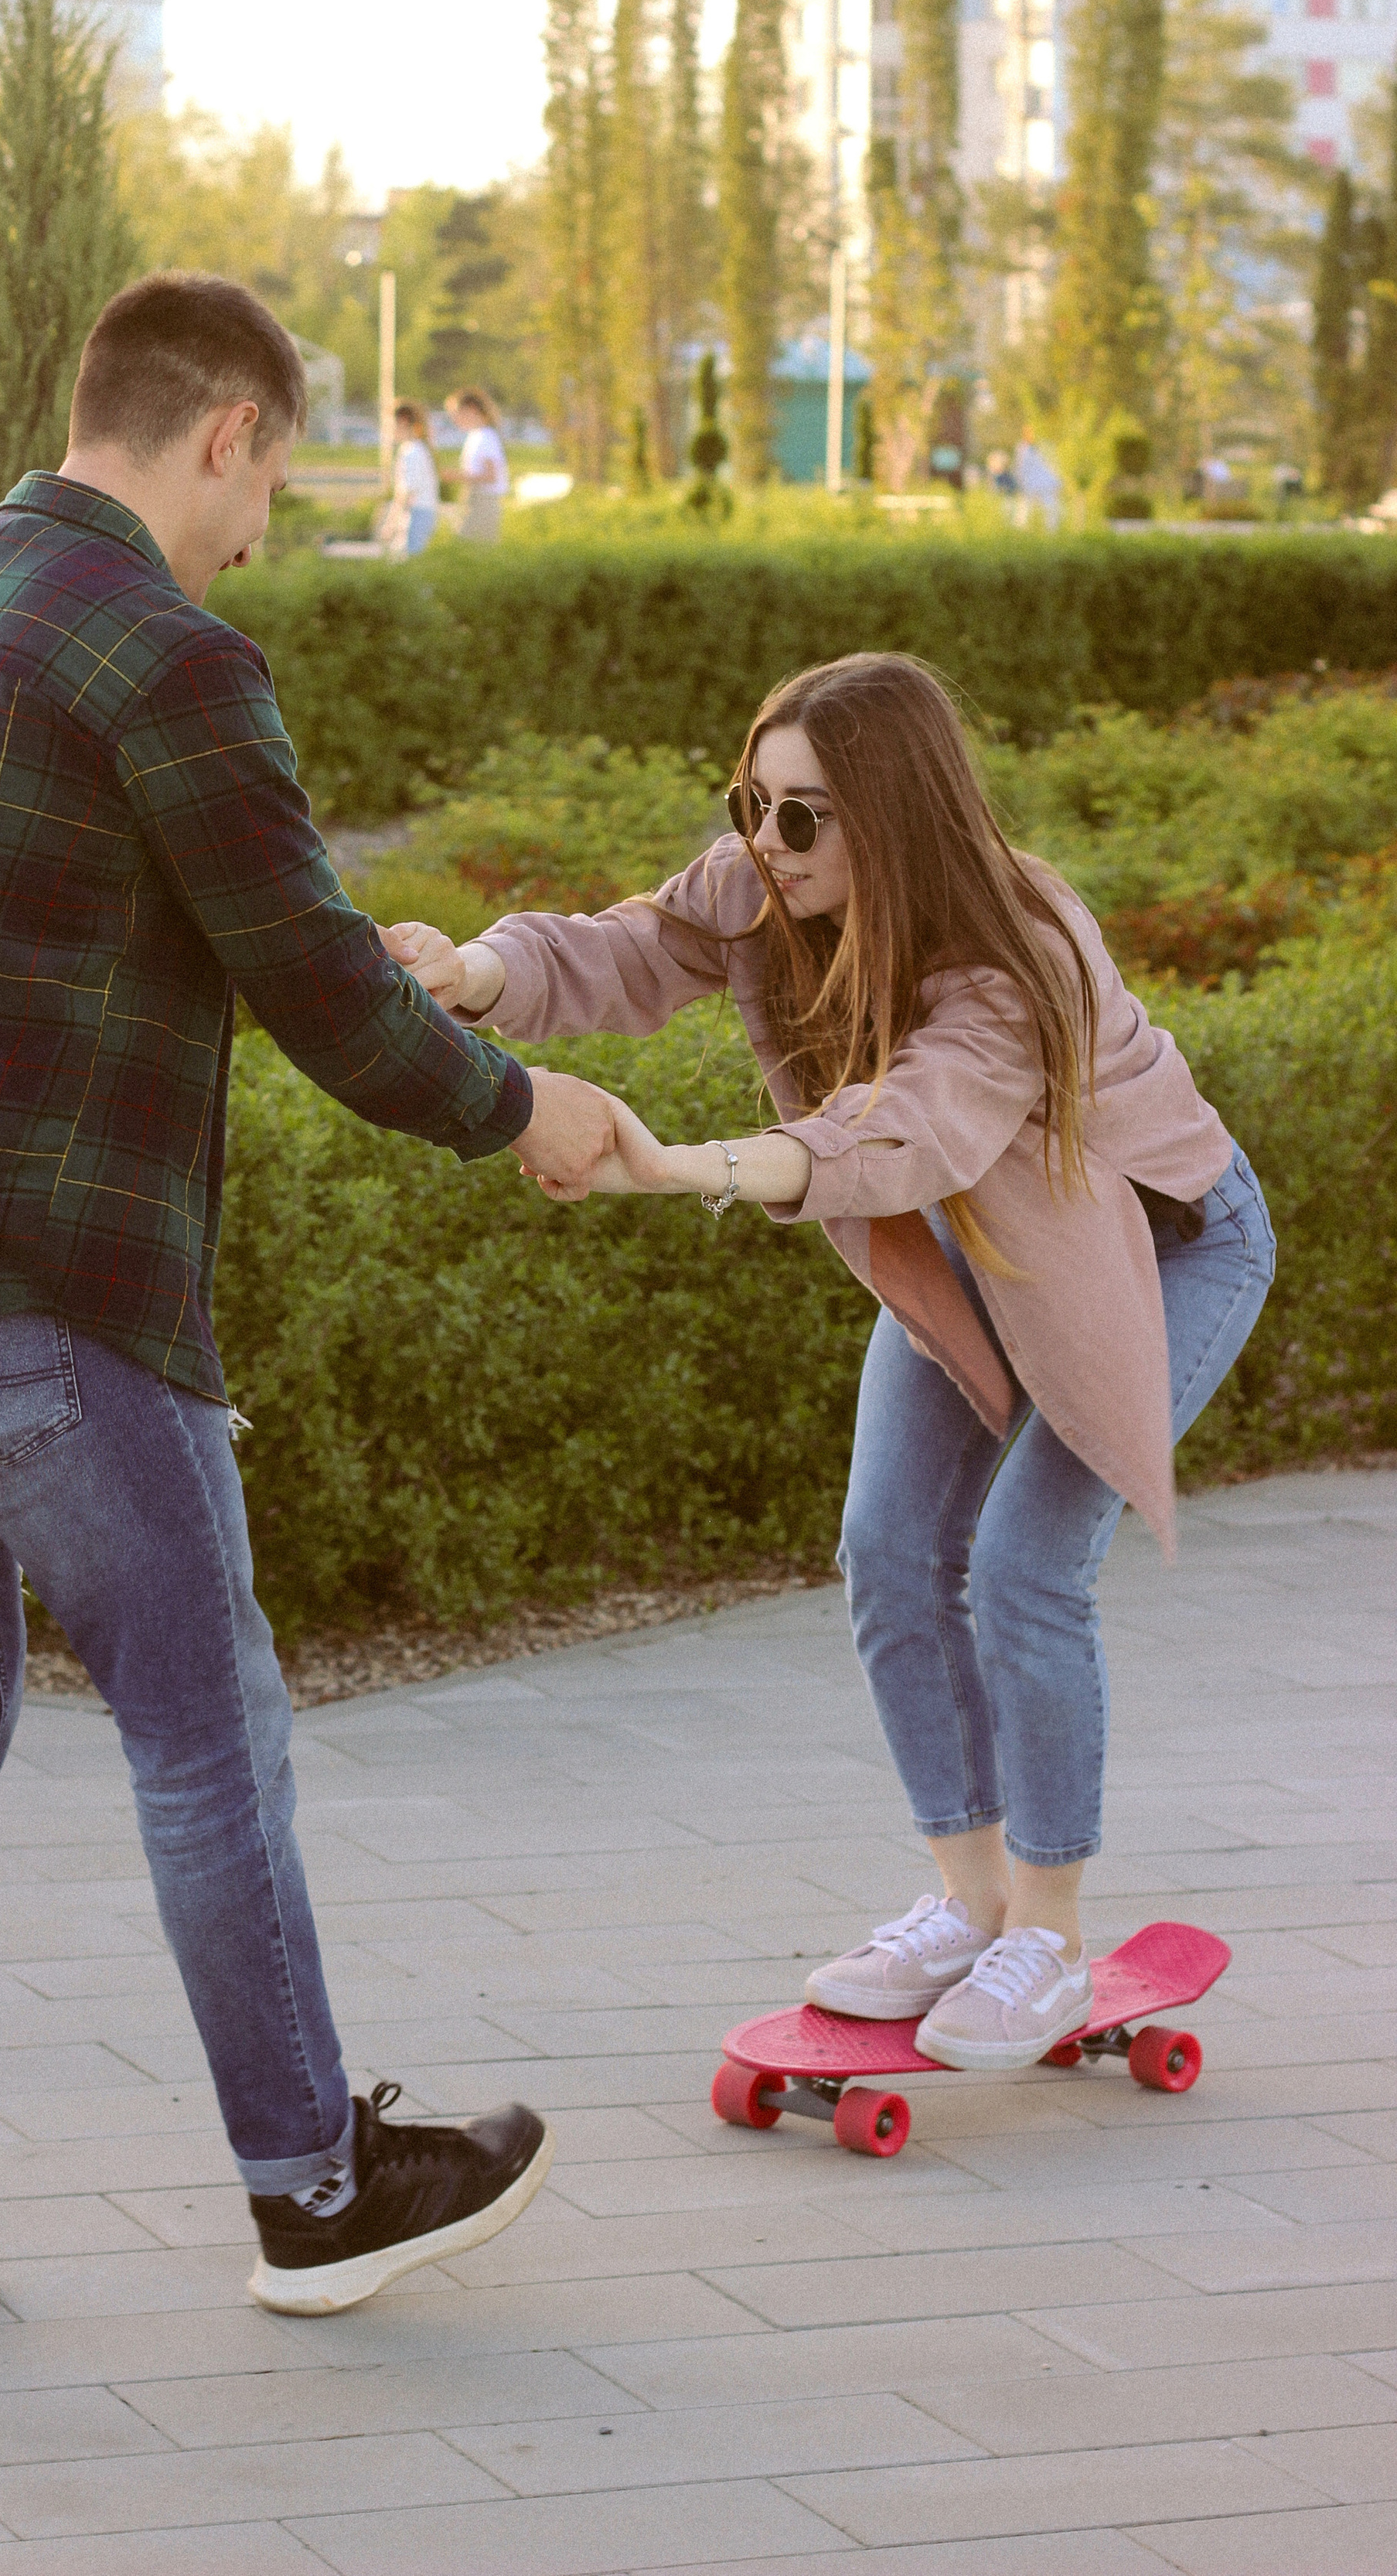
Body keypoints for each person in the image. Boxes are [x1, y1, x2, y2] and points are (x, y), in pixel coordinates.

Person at [0, 271, 610, 2339]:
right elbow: (315, 998)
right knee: (207, 1727)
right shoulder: (169, 655)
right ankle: (318, 2187)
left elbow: (54, 920)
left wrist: (326, 948)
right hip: (30, 1280)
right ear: (225, 431)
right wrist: (521, 1107)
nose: (265, 525)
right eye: (274, 475)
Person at [384, 651, 1274, 2076]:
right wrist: (470, 970)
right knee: (885, 1551)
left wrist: (670, 1165)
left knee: (1026, 1567)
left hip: (1159, 1253)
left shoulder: (1020, 947)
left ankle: (1046, 1931)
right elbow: (626, 946)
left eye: (806, 816)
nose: (765, 840)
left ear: (896, 815)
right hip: (982, 1252)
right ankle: (966, 1898)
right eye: (753, 801)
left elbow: (901, 1133)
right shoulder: (766, 881)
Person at [447, 387, 508, 544]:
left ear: (471, 409)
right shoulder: (475, 436)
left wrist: (455, 476)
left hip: (484, 501)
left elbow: (491, 476)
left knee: (473, 547)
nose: (455, 420)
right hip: (474, 498)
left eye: (456, 414)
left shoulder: (487, 437)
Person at [380, 401, 441, 557]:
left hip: (417, 514)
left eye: (390, 424)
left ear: (403, 421)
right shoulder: (413, 448)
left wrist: (390, 524)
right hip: (420, 512)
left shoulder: (412, 452)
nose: (387, 430)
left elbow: (406, 494)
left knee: (409, 561)